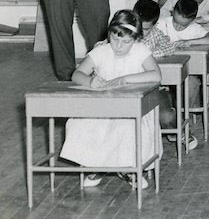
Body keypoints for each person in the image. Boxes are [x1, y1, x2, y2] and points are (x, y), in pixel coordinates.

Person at [60, 10, 160, 190]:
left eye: (126, 42)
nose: (119, 46)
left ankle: (130, 169)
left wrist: (126, 78)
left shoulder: (140, 51)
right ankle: (97, 165)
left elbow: (156, 75)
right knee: (82, 124)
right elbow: (77, 74)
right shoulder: (101, 51)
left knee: (126, 128)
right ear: (109, 34)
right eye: (115, 39)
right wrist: (89, 81)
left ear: (135, 39)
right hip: (104, 106)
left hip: (134, 108)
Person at [133, 0, 199, 152]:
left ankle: (180, 133)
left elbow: (169, 48)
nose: (141, 32)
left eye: (146, 28)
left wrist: (145, 56)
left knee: (166, 116)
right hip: (128, 88)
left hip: (154, 88)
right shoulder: (126, 32)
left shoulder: (156, 35)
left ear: (154, 24)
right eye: (138, 27)